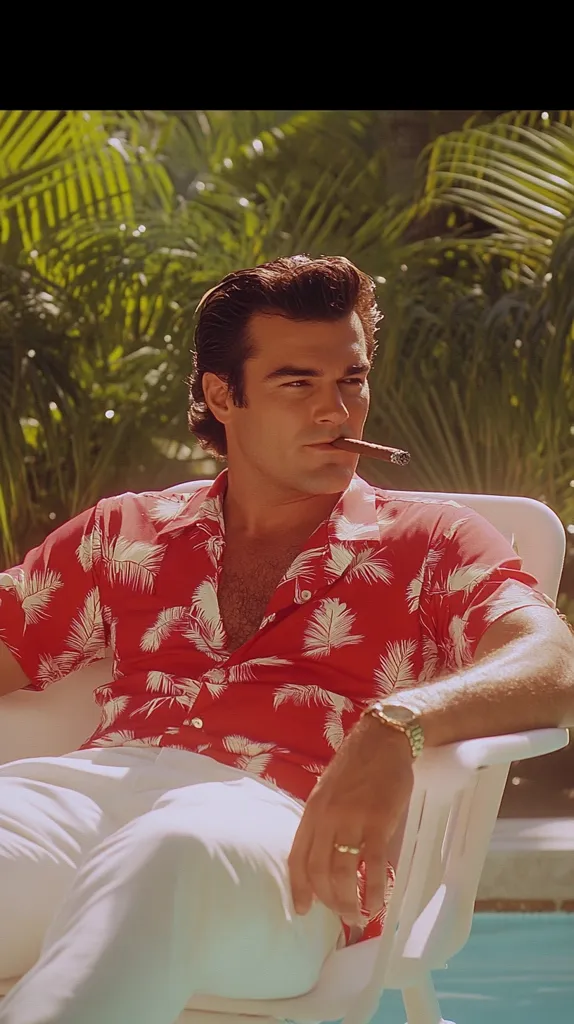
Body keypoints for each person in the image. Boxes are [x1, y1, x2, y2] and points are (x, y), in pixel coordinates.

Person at [0, 255, 572, 1024]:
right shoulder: (125, 531)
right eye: (298, 383)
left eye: (353, 381)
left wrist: (395, 724)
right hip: (86, 795)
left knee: (173, 850)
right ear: (220, 394)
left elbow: (554, 662)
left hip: (281, 829)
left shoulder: (432, 541)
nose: (337, 412)